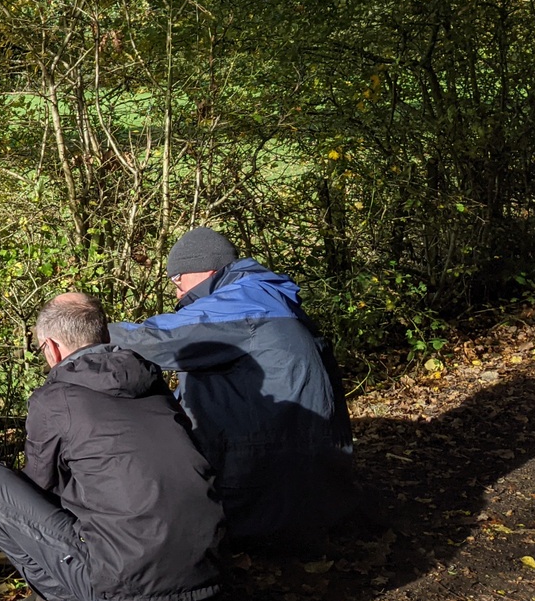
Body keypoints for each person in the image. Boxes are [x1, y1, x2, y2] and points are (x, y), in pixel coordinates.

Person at [0, 293, 229, 601]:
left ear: (51, 348)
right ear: (103, 337)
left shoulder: (55, 400)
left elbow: (39, 491)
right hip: (212, 583)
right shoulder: (153, 384)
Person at [109, 226, 357, 552]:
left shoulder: (244, 304)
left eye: (177, 280)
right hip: (312, 476)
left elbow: (158, 340)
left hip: (274, 481)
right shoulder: (265, 296)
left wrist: (91, 333)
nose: (176, 292)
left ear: (204, 269)